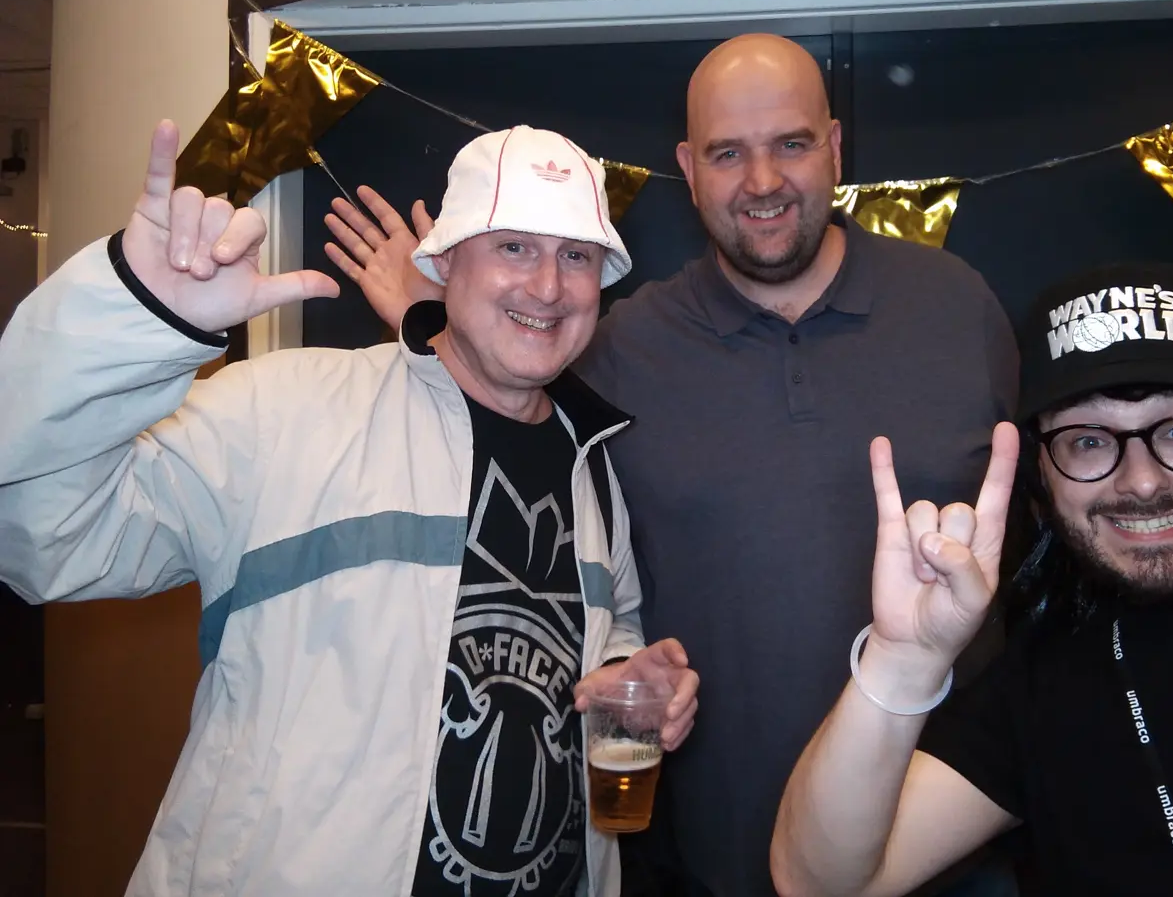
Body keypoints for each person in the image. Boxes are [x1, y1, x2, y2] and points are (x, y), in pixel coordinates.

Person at [325, 33, 1017, 896]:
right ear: (688, 169)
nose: (761, 182)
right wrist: (443, 322)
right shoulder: (618, 352)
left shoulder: (959, 308)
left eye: (791, 144)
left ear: (836, 148)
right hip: (704, 862)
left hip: (944, 858)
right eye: (728, 153)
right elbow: (498, 421)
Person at [0, 121, 701, 897]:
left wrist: (621, 674)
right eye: (513, 247)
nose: (547, 286)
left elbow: (605, 629)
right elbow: (39, 537)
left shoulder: (591, 468)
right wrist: (135, 322)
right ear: (443, 262)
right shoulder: (284, 412)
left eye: (576, 255)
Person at [770, 260, 1173, 897]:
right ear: (1042, 477)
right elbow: (820, 885)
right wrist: (900, 659)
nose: (1140, 481)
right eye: (1087, 442)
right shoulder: (1048, 651)